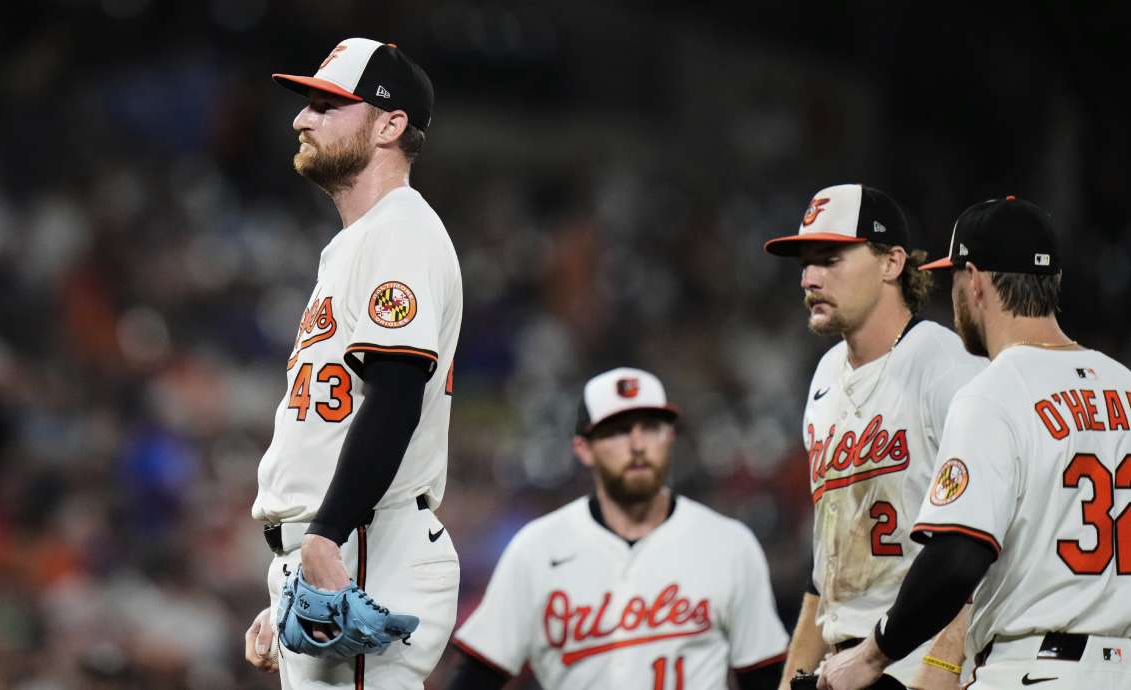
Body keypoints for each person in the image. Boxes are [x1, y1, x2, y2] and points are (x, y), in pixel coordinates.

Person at [818, 197, 1131, 690]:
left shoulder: (994, 391)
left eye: (957, 278)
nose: (954, 292)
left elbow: (958, 558)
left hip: (1030, 666)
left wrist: (873, 655)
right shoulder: (1124, 385)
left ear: (977, 281)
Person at [241, 37, 463, 690]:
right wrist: (294, 572)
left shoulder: (400, 230)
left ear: (391, 124)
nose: (301, 119)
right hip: (351, 544)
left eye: (328, 104)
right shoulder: (363, 241)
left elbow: (395, 397)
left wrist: (327, 538)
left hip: (369, 539)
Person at [763, 184, 986, 689]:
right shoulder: (824, 378)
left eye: (830, 258)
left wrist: (946, 664)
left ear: (891, 263)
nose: (810, 277)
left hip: (917, 657)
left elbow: (983, 541)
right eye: (805, 262)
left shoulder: (944, 365)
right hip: (840, 665)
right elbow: (826, 568)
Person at [444, 367, 789, 690]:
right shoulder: (537, 548)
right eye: (618, 431)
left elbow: (764, 675)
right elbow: (478, 675)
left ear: (670, 438)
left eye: (651, 428)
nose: (637, 445)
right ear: (584, 449)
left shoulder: (728, 545)